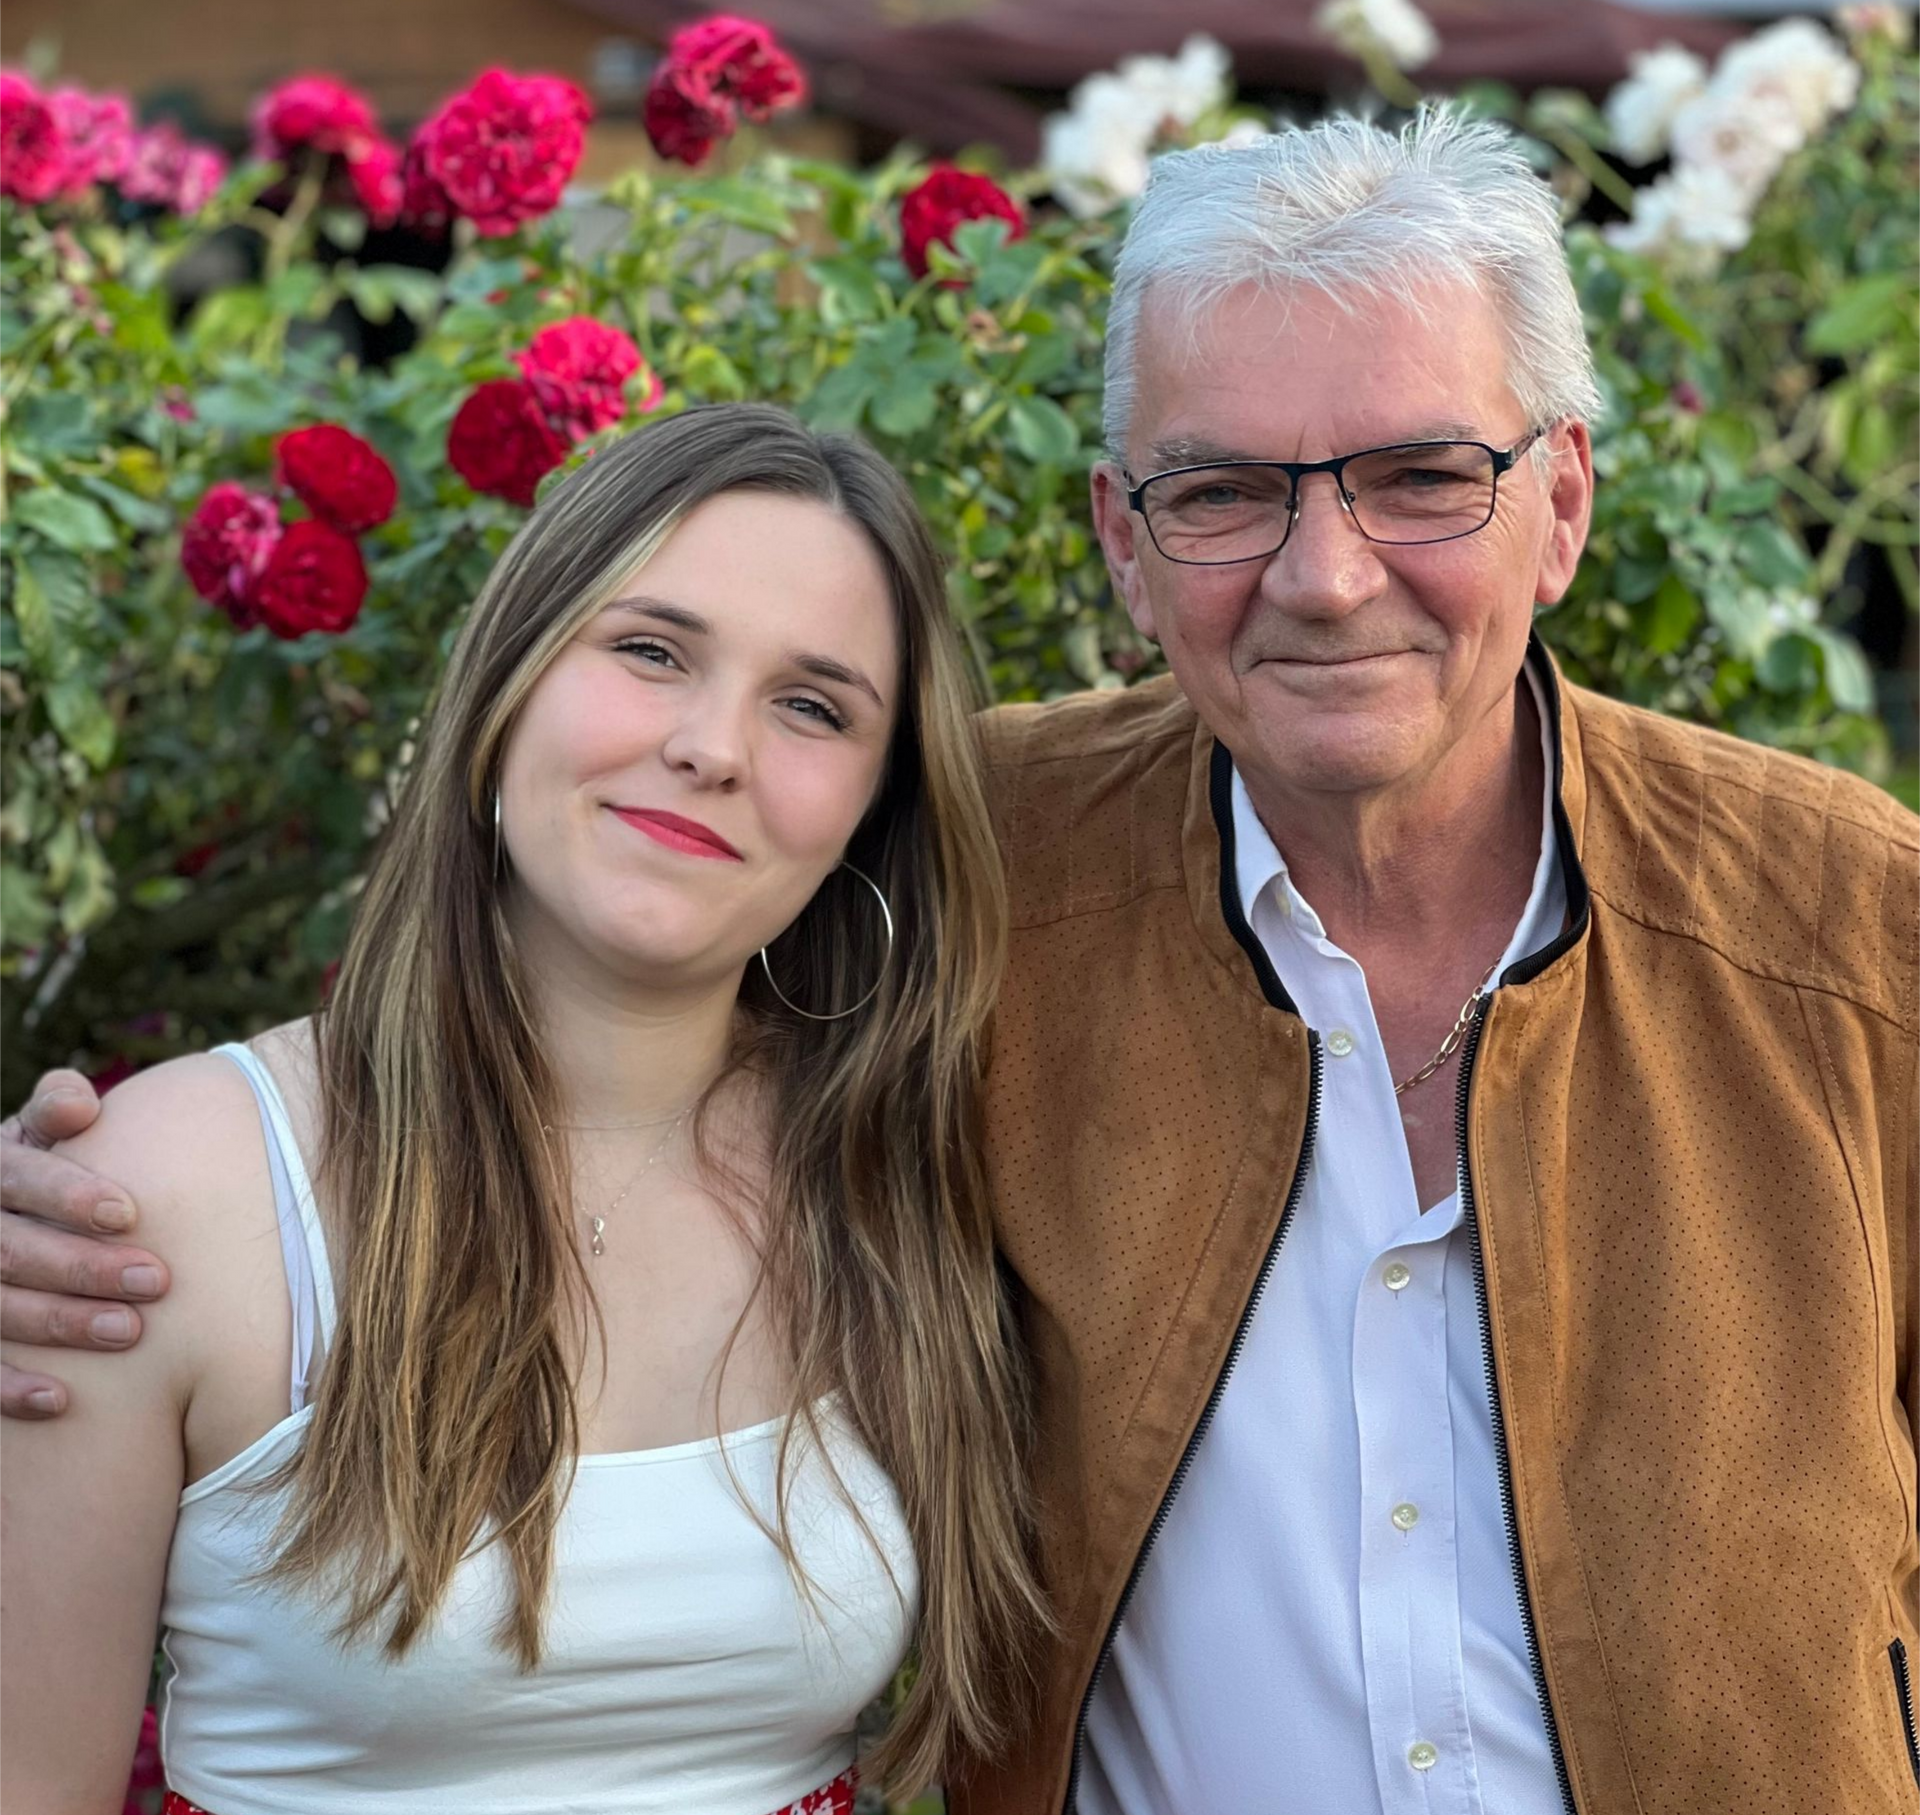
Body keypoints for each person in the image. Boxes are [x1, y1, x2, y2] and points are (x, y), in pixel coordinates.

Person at [6, 108, 1920, 1813]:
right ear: (1122, 538)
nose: (1327, 574)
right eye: (1226, 489)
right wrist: (102, 1190)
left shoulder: (1853, 946)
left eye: (1423, 473)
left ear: (1563, 500)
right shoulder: (991, 880)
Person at [0, 402, 1048, 1814]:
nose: (711, 746)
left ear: (874, 805)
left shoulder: (910, 1169)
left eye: (813, 704)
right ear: (507, 684)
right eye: (651, 650)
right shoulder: (160, 1197)